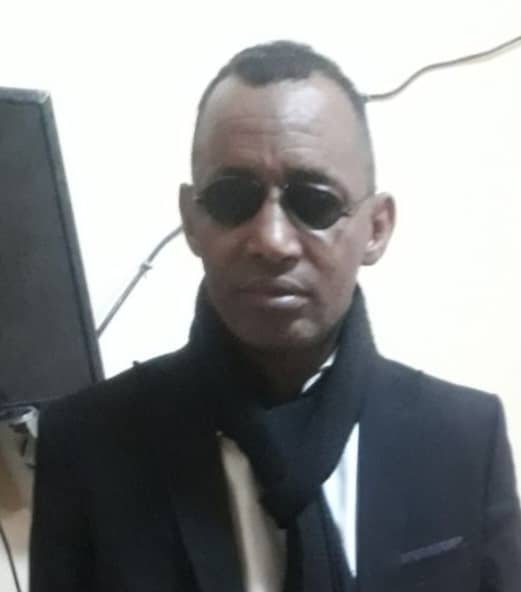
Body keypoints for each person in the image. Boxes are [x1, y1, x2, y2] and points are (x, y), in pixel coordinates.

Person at [30, 41, 521, 592]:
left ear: (376, 228)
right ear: (191, 220)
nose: (271, 240)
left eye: (315, 202)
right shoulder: (87, 447)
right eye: (232, 198)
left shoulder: (463, 439)